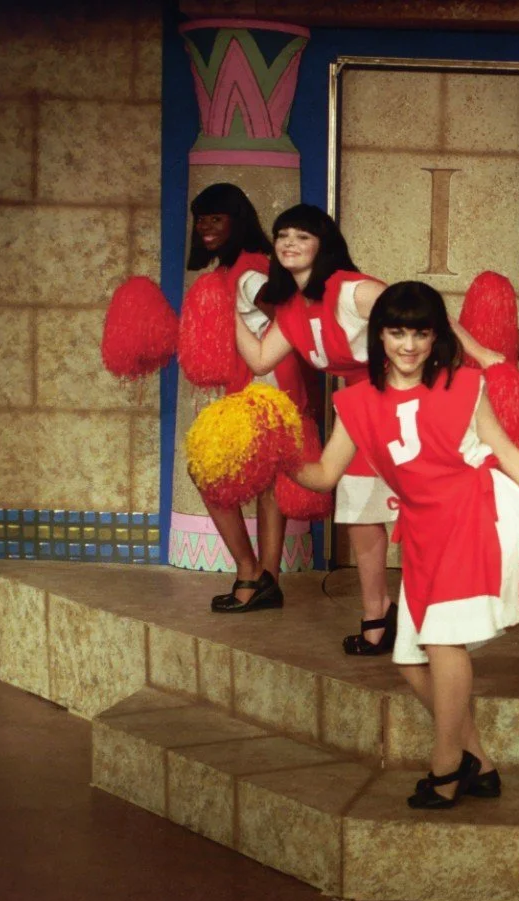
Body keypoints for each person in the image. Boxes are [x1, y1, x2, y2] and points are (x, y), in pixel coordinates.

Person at [291, 282, 519, 806]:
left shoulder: (464, 385)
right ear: (379, 336)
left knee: (442, 643)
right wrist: (276, 457)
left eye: (420, 333)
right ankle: (479, 763)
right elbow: (323, 475)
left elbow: (506, 450)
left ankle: (446, 768)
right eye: (397, 333)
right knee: (410, 660)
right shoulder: (356, 401)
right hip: (424, 531)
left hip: (475, 512)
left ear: (436, 338)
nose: (408, 345)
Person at [236, 205, 503, 655]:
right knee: (361, 517)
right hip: (360, 410)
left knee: (425, 514)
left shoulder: (351, 291)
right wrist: (227, 313)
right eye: (282, 236)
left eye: (302, 236)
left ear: (323, 245)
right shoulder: (291, 309)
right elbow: (261, 359)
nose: (289, 244)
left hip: (406, 401)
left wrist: (480, 351)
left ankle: (442, 612)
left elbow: (422, 314)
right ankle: (376, 615)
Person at [185, 183, 306, 614]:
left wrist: (262, 357)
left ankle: (249, 571)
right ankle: (265, 579)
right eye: (201, 218)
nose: (205, 227)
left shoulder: (249, 272)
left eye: (216, 218)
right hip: (266, 391)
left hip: (266, 391)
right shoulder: (242, 267)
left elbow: (291, 317)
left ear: (236, 221)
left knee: (206, 469)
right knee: (268, 483)